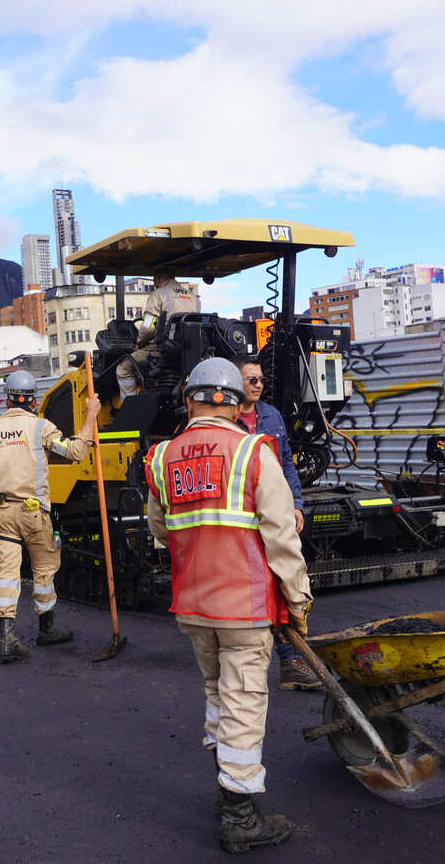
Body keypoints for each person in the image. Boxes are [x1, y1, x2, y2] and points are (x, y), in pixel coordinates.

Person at [145, 358, 310, 854]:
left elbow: (159, 531)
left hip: (193, 604)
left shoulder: (161, 458)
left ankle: (226, 786)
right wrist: (298, 599)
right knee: (243, 702)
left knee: (218, 694)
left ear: (188, 399)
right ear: (237, 403)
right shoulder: (253, 452)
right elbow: (282, 536)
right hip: (245, 605)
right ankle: (240, 815)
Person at [0, 370, 100, 662]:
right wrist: (91, 415)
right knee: (43, 569)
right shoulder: (41, 427)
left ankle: (6, 640)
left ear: (8, 399)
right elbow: (75, 452)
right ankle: (47, 628)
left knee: (8, 573)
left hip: (1, 513)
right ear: (33, 399)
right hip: (33, 513)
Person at [234, 357, 318, 692]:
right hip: (242, 519)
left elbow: (286, 465)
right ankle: (253, 668)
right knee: (254, 591)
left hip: (276, 513)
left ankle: (291, 660)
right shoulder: (224, 420)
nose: (257, 384)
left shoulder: (271, 416)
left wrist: (296, 505)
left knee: (287, 584)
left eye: (260, 379)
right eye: (249, 379)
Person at [115, 269, 200, 397]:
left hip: (160, 350)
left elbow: (149, 326)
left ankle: (129, 406)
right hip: (186, 352)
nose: (155, 284)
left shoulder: (158, 294)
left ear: (159, 279)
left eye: (155, 281)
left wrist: (139, 343)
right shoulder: (193, 297)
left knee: (123, 368)